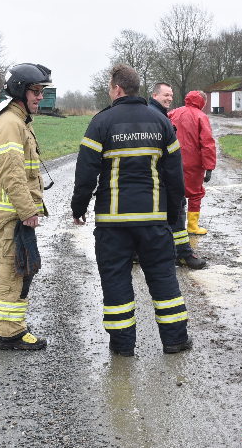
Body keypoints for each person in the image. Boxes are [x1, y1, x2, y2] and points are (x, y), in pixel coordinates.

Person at [72, 64, 192, 356]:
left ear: (117, 89)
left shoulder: (101, 122)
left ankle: (123, 346)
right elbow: (176, 174)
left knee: (116, 281)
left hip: (113, 223)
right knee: (163, 278)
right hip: (153, 220)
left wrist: (78, 207)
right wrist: (173, 214)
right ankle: (175, 340)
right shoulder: (161, 122)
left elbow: (86, 171)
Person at [0, 63, 53, 351]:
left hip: (6, 212)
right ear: (21, 90)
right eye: (36, 91)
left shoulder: (14, 119)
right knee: (14, 271)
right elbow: (12, 173)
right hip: (13, 213)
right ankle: (11, 332)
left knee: (1, 269)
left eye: (41, 92)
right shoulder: (11, 123)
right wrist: (28, 211)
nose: (40, 97)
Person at [149, 82, 206, 270]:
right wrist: (209, 166)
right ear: (155, 95)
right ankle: (182, 252)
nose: (169, 98)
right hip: (174, 171)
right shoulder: (158, 116)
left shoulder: (168, 113)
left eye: (171, 95)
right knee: (183, 203)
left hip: (171, 169)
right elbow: (208, 142)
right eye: (166, 95)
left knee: (165, 211)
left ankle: (176, 252)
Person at [169, 91, 216, 235]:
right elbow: (207, 143)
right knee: (195, 194)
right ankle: (192, 226)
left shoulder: (173, 113)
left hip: (172, 160)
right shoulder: (201, 116)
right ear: (203, 102)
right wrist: (209, 167)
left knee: (173, 192)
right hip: (193, 163)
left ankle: (172, 225)